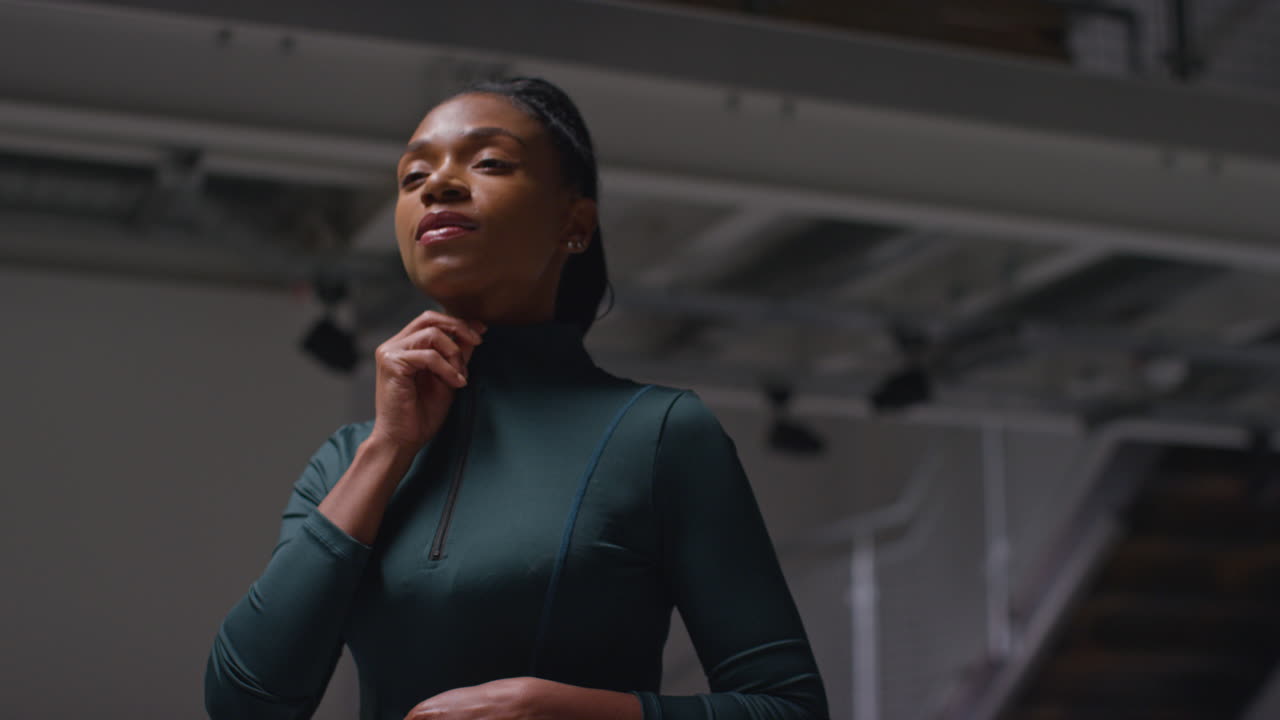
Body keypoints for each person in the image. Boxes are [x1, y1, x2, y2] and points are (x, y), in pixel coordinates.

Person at [205, 77, 828, 720]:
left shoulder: (661, 433)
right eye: (413, 176)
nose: (438, 185)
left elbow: (790, 708)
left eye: (490, 162)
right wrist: (388, 451)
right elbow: (245, 704)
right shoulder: (346, 462)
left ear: (573, 222)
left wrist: (562, 711)